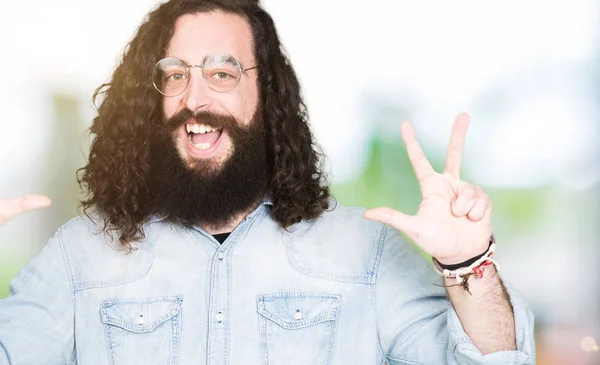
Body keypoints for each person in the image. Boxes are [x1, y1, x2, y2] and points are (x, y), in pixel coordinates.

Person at [0, 0, 535, 364]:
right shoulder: (78, 256)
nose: (194, 99)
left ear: (267, 95)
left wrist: (471, 266)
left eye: (222, 74)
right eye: (175, 73)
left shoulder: (365, 253)